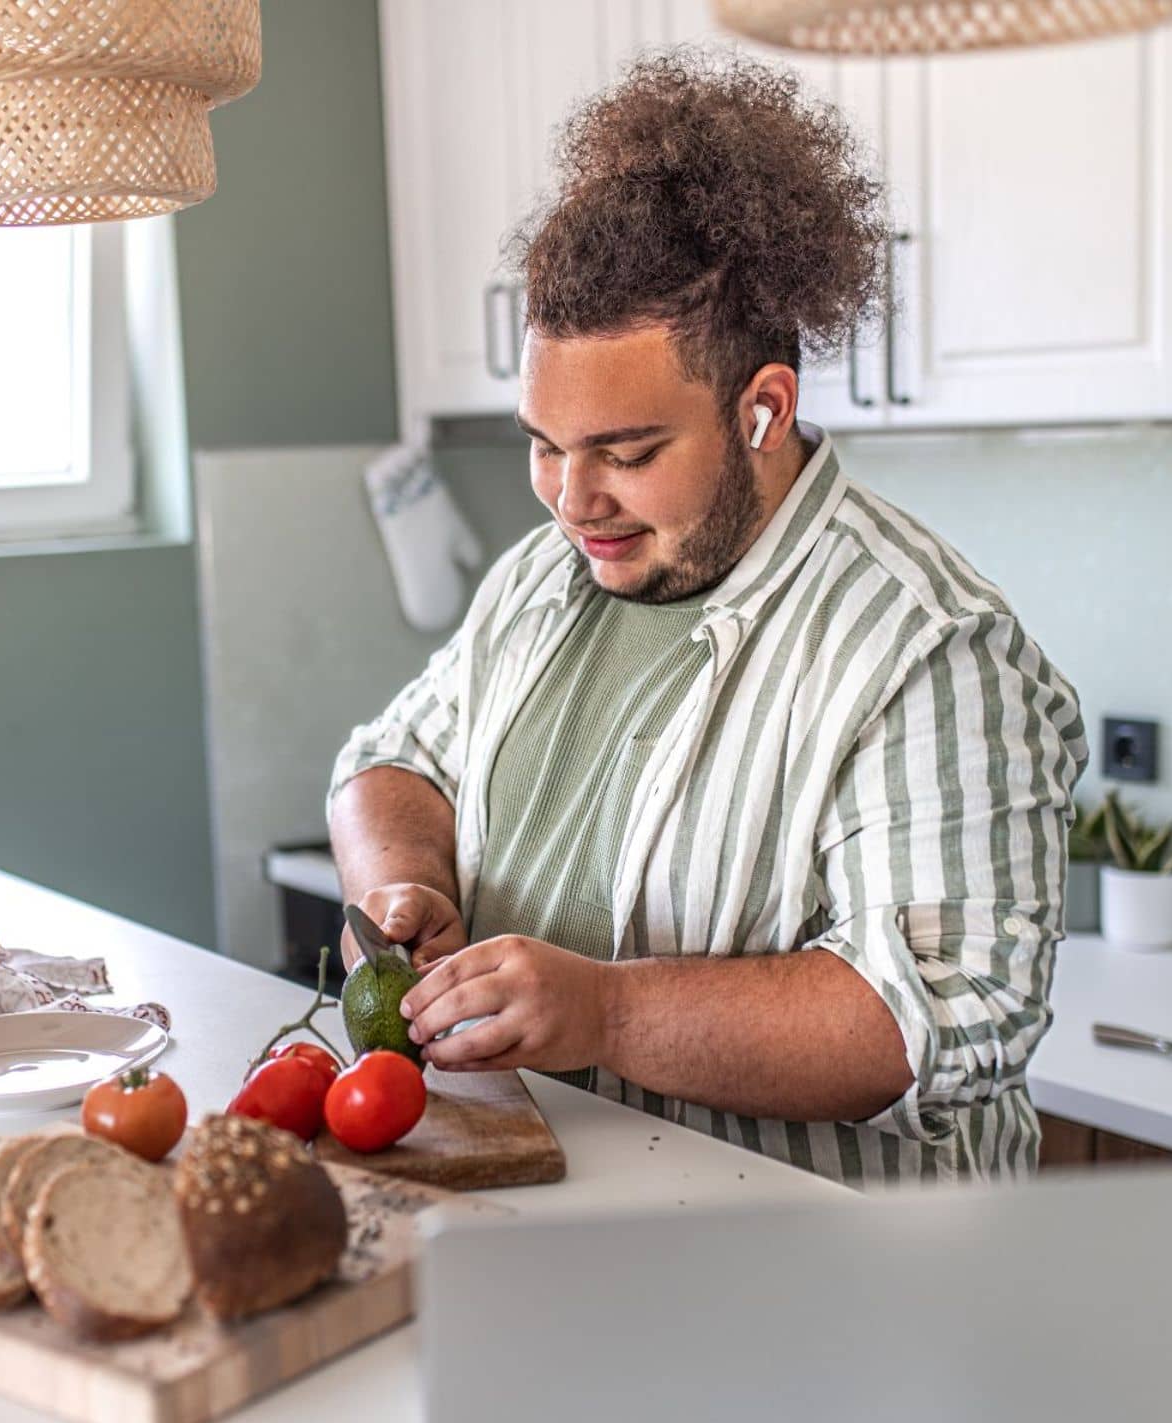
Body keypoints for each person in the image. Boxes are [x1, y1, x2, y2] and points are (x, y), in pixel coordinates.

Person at [327, 54, 1087, 1184]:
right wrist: (405, 885)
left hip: (833, 1301)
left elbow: (932, 1020)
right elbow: (392, 760)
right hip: (572, 1257)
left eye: (625, 454)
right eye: (542, 444)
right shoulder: (542, 580)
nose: (570, 500)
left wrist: (605, 1014)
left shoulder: (927, 649)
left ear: (762, 408)